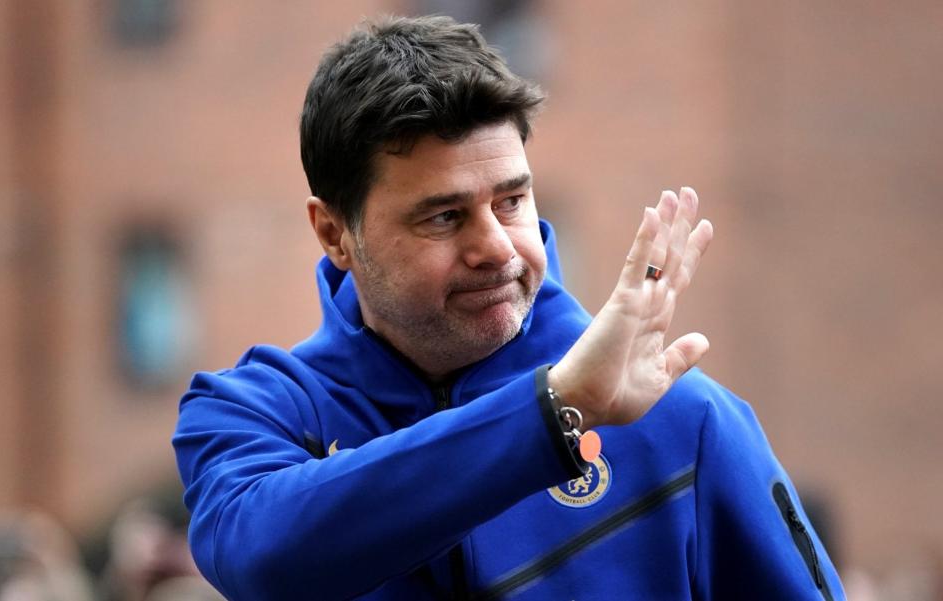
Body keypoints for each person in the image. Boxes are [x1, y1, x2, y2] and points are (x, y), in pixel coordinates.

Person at [172, 15, 845, 601]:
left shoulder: (686, 418)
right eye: (443, 216)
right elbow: (262, 558)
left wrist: (559, 403)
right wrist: (553, 412)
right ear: (333, 233)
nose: (497, 247)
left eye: (512, 200)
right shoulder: (250, 415)